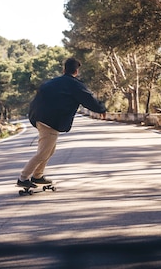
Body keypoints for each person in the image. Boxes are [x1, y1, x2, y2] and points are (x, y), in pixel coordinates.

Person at [17, 57, 107, 188]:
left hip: (39, 118)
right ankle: (23, 178)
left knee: (49, 150)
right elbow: (88, 99)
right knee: (43, 153)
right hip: (50, 122)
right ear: (76, 71)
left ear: (64, 69)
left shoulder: (52, 82)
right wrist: (101, 109)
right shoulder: (74, 85)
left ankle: (38, 176)